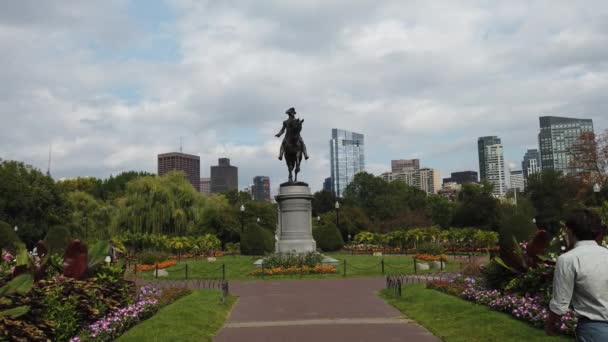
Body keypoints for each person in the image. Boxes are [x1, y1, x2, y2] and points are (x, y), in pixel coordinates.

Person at [546, 209, 608, 341]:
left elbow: (560, 304)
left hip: (595, 331)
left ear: (570, 231)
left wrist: (551, 325)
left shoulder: (568, 259)